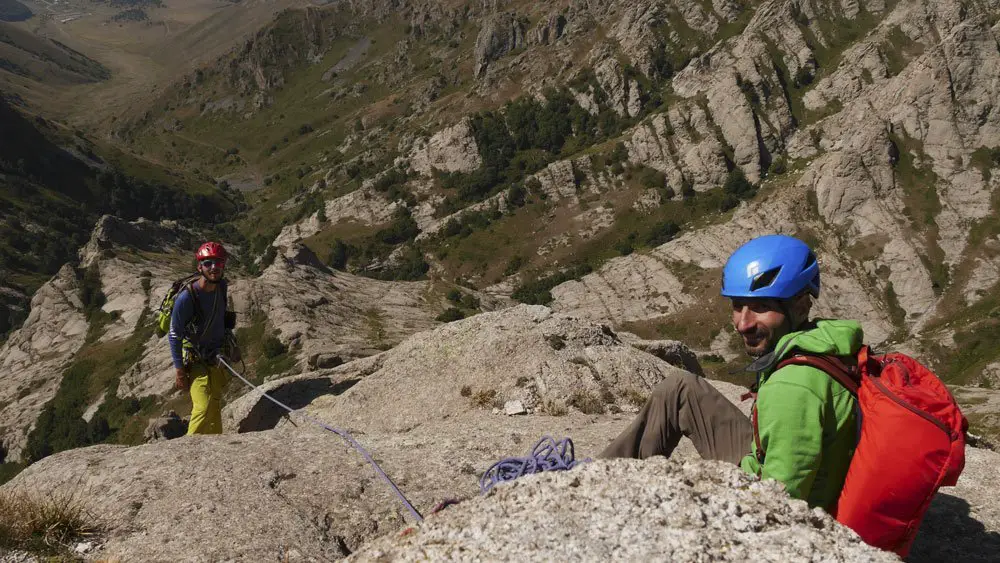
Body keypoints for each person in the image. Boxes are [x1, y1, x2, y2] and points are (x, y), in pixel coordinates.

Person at [601, 234, 860, 511]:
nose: (742, 323)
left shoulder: (792, 388)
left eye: (761, 307)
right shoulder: (823, 340)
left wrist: (695, 490)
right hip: (769, 458)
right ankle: (601, 476)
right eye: (738, 306)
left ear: (800, 306)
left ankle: (599, 495)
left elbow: (778, 506)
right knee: (681, 389)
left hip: (771, 498)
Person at [169, 241, 230, 435]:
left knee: (214, 405)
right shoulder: (187, 298)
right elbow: (174, 335)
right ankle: (187, 451)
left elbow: (223, 317)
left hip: (217, 356)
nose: (214, 267)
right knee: (202, 408)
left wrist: (232, 342)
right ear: (199, 267)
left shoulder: (222, 287)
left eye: (218, 263)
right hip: (195, 360)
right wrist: (180, 371)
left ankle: (217, 444)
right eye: (208, 263)